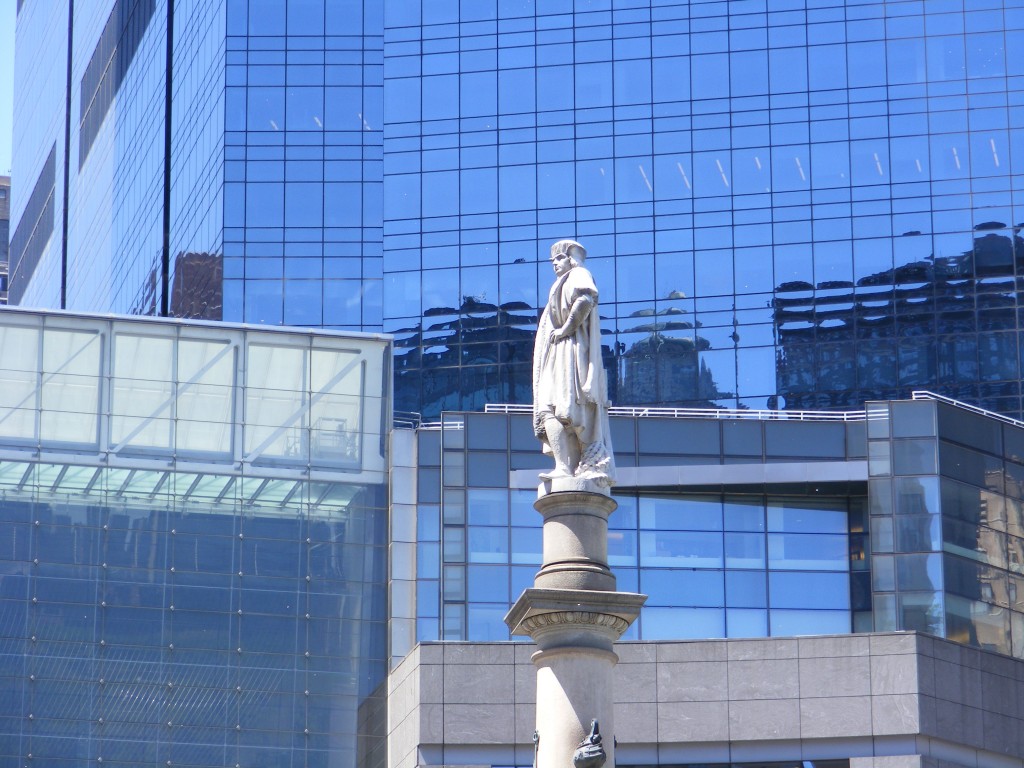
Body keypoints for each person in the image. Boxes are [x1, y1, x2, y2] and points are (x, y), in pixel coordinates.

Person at [532, 239, 615, 487]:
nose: (555, 264)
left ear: (571, 258)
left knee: (565, 407)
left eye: (560, 258)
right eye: (553, 260)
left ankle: (576, 465)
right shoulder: (559, 283)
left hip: (572, 350)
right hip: (558, 351)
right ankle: (563, 466)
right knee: (547, 408)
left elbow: (586, 299)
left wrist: (565, 329)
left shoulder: (579, 274)